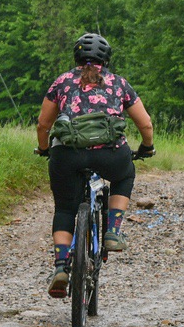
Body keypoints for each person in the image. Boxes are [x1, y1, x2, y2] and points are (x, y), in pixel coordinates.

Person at [35, 33, 154, 298]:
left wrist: (44, 149)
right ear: (107, 59)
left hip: (67, 155)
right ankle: (112, 231)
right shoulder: (119, 84)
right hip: (110, 155)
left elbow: (43, 124)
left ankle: (61, 267)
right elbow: (145, 124)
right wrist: (147, 147)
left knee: (65, 208)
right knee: (125, 175)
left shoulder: (62, 82)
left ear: (76, 57)